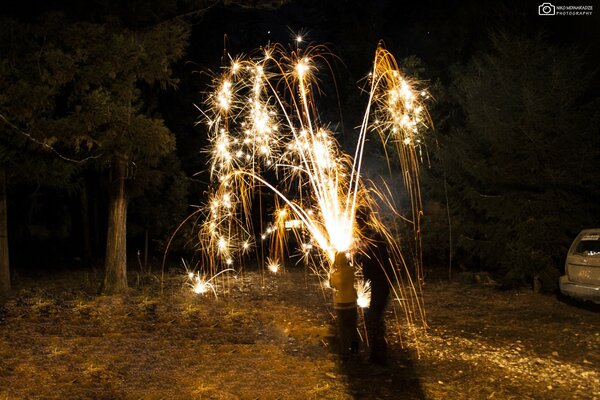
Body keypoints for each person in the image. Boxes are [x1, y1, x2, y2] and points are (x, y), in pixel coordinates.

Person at [355, 209, 392, 365]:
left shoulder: (372, 237)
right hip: (377, 283)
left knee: (373, 317)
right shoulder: (370, 236)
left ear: (361, 221)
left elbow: (369, 259)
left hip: (380, 283)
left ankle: (379, 355)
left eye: (356, 222)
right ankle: (378, 352)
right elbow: (361, 257)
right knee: (373, 317)